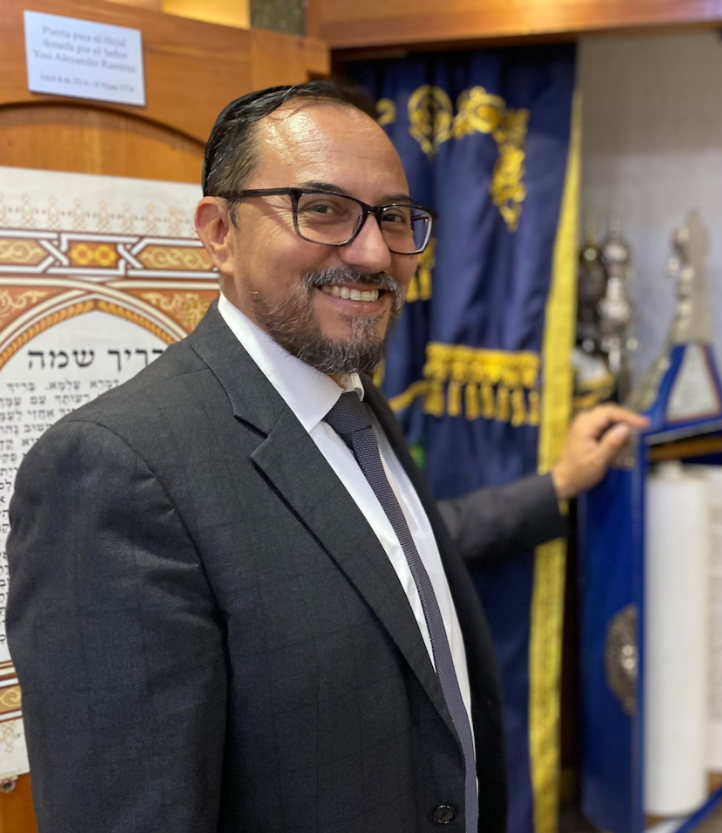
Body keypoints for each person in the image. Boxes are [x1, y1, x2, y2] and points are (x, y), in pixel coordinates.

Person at [5, 82, 646, 833]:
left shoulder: (353, 399)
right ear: (219, 230)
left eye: (394, 216)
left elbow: (392, 565)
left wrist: (559, 484)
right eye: (323, 209)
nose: (375, 251)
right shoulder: (112, 472)